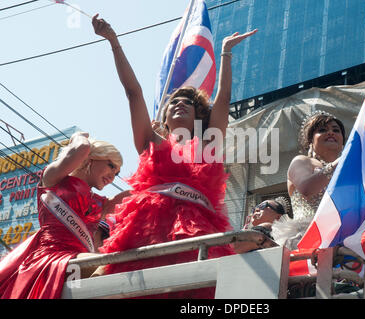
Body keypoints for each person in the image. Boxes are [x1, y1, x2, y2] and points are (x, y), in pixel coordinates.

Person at [91, 15, 257, 298]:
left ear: (199, 115)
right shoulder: (149, 142)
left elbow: (224, 99)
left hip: (196, 233)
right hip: (144, 230)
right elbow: (134, 93)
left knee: (195, 292)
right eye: (173, 103)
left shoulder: (208, 143)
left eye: (188, 103)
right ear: (165, 117)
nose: (179, 104)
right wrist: (113, 42)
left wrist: (226, 53)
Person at [0, 132, 126, 299]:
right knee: (110, 265)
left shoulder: (101, 203)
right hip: (50, 258)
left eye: (116, 173)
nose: (112, 177)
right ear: (91, 159)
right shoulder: (53, 178)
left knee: (121, 268)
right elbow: (81, 147)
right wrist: (78, 137)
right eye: (111, 166)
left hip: (76, 261)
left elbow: (139, 192)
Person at [271, 111, 346, 250]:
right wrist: (336, 164)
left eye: (336, 130)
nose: (331, 133)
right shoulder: (302, 161)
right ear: (310, 140)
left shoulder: (347, 170)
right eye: (322, 130)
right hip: (308, 236)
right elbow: (307, 188)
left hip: (343, 236)